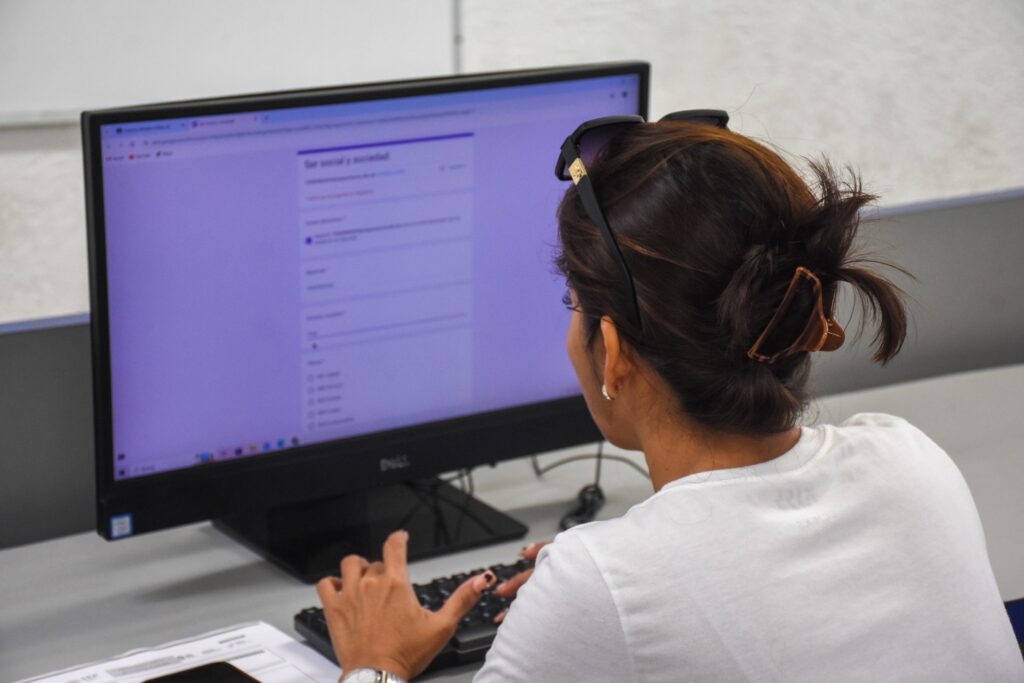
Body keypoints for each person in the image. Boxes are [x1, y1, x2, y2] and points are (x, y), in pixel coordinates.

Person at [316, 111, 1023, 682]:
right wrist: (606, 590)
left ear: (613, 350)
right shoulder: (911, 461)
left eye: (572, 303)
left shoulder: (601, 585)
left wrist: (379, 662)